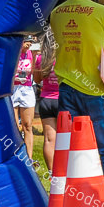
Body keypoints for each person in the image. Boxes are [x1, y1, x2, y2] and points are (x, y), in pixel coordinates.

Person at [50, 0, 104, 204]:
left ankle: (76, 202)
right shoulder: (101, 12)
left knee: (71, 149)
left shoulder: (56, 13)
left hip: (67, 89)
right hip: (96, 90)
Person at [12, 36, 42, 161]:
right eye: (27, 42)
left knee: (28, 125)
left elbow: (35, 75)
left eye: (31, 43)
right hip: (13, 89)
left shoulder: (32, 53)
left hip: (27, 89)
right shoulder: (14, 52)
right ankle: (15, 156)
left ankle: (29, 159)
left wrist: (34, 57)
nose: (29, 45)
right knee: (14, 126)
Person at [35, 29, 60, 172]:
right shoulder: (63, 58)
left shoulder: (41, 59)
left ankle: (52, 173)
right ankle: (66, 171)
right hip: (61, 100)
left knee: (49, 140)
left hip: (45, 100)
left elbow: (37, 79)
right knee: (66, 139)